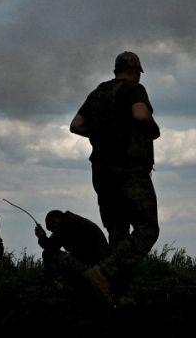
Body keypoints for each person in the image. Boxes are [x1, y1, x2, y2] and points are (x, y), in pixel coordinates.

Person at [70, 51, 160, 306]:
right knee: (147, 229)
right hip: (129, 169)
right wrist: (153, 129)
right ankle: (102, 273)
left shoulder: (98, 93)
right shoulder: (134, 89)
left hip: (101, 171)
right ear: (135, 70)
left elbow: (76, 125)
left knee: (118, 234)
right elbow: (141, 115)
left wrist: (100, 134)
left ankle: (121, 295)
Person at [35, 209, 110, 289]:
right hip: (99, 263)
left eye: (52, 229)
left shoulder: (65, 223)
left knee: (48, 254)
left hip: (93, 266)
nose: (53, 232)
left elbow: (51, 247)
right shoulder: (72, 220)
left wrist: (42, 237)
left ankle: (59, 286)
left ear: (55, 220)